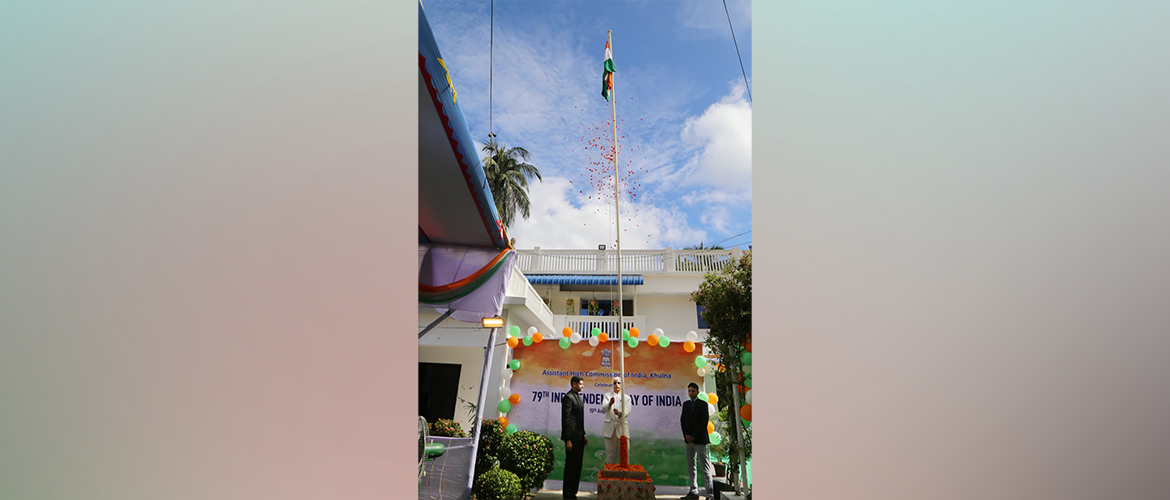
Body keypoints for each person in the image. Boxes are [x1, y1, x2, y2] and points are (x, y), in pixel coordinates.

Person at [680, 382, 713, 500]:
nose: (690, 393)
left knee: (705, 467)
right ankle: (693, 491)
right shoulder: (686, 405)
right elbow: (683, 421)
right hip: (688, 441)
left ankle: (710, 494)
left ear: (698, 392)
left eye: (693, 391)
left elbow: (703, 422)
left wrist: (693, 436)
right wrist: (687, 435)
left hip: (700, 440)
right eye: (689, 391)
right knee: (691, 467)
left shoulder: (703, 405)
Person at [561, 375, 588, 500]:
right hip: (572, 439)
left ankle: (573, 492)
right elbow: (566, 420)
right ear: (574, 384)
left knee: (577, 467)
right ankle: (568, 494)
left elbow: (579, 420)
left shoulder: (578, 397)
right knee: (571, 467)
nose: (582, 386)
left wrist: (584, 434)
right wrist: (568, 439)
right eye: (580, 384)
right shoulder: (568, 397)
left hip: (580, 438)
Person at [602, 376, 633, 464]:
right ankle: (610, 476)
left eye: (619, 383)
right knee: (610, 456)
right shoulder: (607, 396)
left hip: (622, 430)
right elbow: (604, 409)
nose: (617, 385)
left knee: (624, 455)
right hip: (609, 430)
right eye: (615, 383)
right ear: (612, 385)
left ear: (622, 385)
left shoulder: (627, 398)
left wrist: (619, 414)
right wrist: (610, 404)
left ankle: (623, 476)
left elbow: (627, 411)